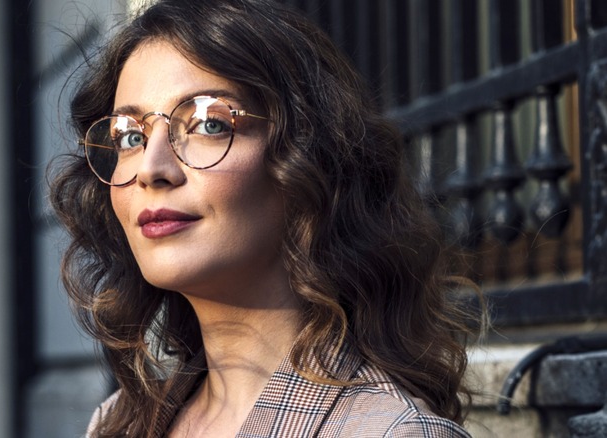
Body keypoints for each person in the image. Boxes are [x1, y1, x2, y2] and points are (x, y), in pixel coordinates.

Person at [50, 0, 479, 436]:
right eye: (130, 136)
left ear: (306, 160)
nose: (150, 168)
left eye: (208, 124)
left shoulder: (393, 433)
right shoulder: (119, 421)